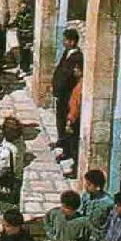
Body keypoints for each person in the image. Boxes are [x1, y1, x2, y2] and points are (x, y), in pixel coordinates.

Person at [52, 28, 84, 159]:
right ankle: (61, 140)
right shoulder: (67, 53)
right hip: (61, 95)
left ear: (72, 41)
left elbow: (72, 76)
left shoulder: (77, 57)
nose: (63, 42)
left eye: (65, 40)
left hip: (68, 96)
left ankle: (67, 151)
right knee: (60, 119)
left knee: (67, 123)